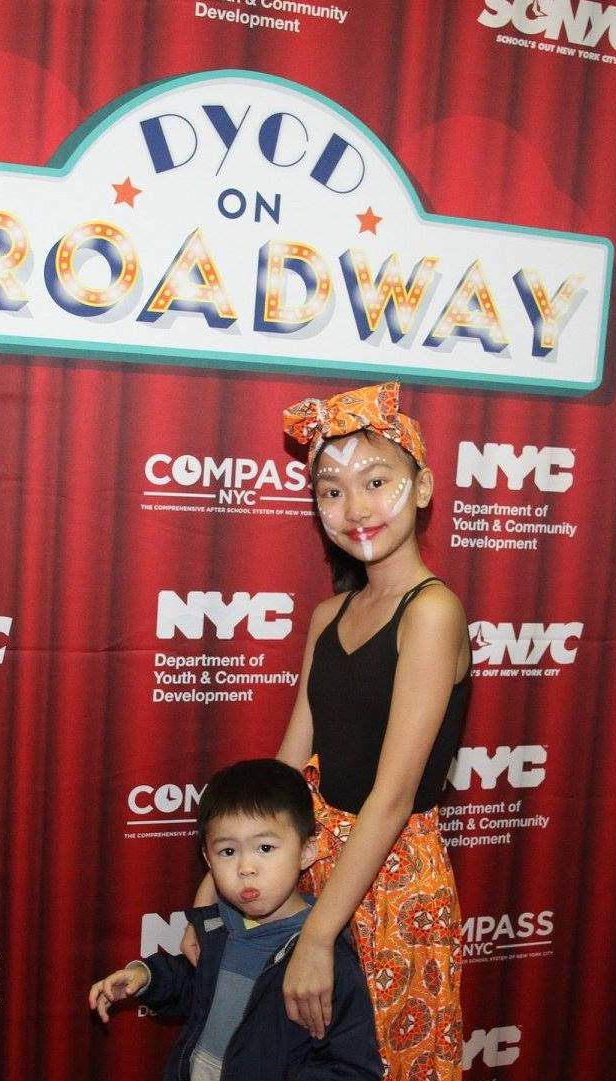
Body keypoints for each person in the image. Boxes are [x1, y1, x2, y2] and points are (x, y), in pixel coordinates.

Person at [184, 382, 471, 1081]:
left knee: (382, 1062)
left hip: (392, 877)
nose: (355, 507)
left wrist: (318, 933)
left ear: (423, 485)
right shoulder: (326, 615)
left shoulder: (431, 613)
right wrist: (212, 883)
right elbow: (288, 765)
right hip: (305, 862)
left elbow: (394, 792)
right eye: (331, 490)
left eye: (376, 481)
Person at [88, 758, 381, 1081]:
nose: (246, 867)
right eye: (228, 852)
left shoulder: (324, 957)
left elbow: (350, 1065)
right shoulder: (218, 926)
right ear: (207, 859)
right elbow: (196, 989)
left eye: (265, 848)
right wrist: (145, 977)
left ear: (306, 852)